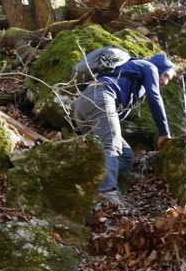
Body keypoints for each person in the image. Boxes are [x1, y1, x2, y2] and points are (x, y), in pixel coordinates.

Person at [73, 53, 176, 205]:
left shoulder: (135, 80)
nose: (166, 81)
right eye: (166, 75)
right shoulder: (150, 67)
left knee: (126, 156)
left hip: (83, 106)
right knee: (112, 144)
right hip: (100, 95)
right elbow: (155, 98)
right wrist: (164, 132)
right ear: (160, 68)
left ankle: (87, 180)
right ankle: (107, 192)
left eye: (169, 79)